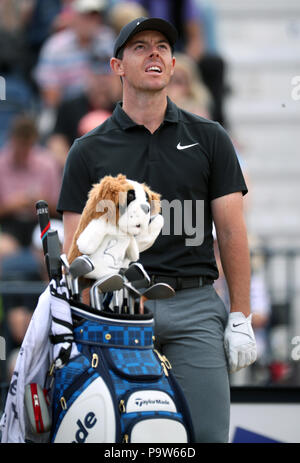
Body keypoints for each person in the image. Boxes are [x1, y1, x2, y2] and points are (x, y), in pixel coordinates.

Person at [56, 17, 257, 443]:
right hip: (117, 309)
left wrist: (241, 316)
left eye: (163, 46)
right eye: (140, 46)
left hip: (195, 306)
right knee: (120, 438)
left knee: (206, 437)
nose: (155, 53)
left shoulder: (210, 138)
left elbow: (233, 234)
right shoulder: (87, 151)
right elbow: (76, 254)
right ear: (117, 66)